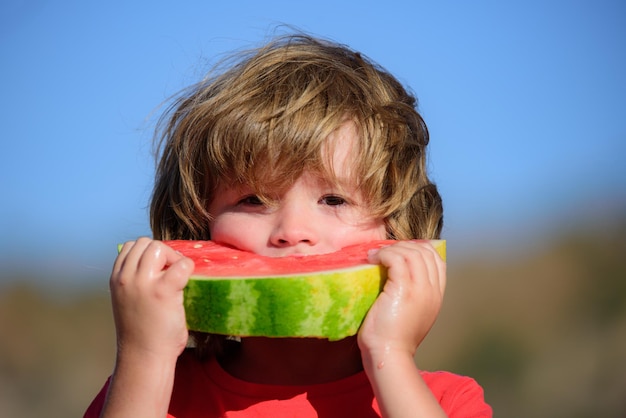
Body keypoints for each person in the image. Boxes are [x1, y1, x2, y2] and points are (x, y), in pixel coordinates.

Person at [84, 33, 492, 417]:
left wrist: (391, 354)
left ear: (399, 229)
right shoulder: (149, 391)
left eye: (333, 199)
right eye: (253, 200)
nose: (292, 231)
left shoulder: (446, 401)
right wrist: (143, 356)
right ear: (195, 226)